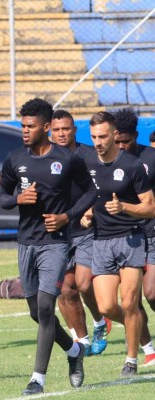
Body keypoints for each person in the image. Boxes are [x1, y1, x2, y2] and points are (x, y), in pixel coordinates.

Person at [0, 98, 96, 395]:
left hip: (55, 243)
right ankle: (74, 351)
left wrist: (67, 216)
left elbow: (91, 192)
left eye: (30, 126)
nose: (24, 131)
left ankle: (37, 379)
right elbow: (2, 197)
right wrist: (17, 199)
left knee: (44, 306)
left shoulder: (68, 159)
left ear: (46, 127)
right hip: (26, 243)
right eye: (22, 126)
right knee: (35, 312)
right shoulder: (15, 158)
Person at [50, 110, 111, 356]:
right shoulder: (46, 158)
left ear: (75, 129)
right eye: (57, 130)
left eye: (66, 128)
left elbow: (104, 189)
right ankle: (83, 341)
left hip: (86, 230)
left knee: (84, 284)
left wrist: (91, 211)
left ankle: (99, 321)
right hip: (58, 234)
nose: (61, 134)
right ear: (50, 132)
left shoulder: (89, 155)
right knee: (65, 290)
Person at [112, 108, 155, 367]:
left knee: (151, 293)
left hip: (152, 232)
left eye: (125, 142)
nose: (120, 146)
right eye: (116, 141)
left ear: (135, 137)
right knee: (131, 301)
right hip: (123, 237)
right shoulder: (106, 160)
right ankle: (148, 349)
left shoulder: (150, 157)